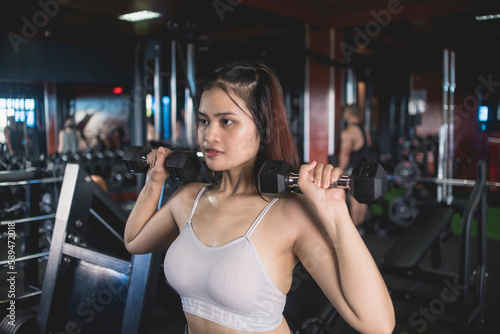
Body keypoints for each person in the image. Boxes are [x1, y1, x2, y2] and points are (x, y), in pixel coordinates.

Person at [125, 63, 394, 334]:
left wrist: (335, 211)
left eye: (226, 121)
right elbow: (135, 241)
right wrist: (154, 181)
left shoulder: (290, 214)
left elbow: (377, 325)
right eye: (204, 120)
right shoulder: (188, 199)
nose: (209, 135)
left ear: (263, 129)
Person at [338, 104, 373, 230]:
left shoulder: (348, 132)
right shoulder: (364, 128)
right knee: (361, 198)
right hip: (365, 168)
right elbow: (368, 145)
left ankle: (353, 228)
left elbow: (345, 154)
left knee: (353, 199)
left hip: (353, 168)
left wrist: (339, 171)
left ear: (349, 114)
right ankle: (360, 227)